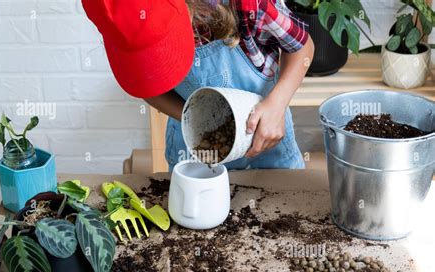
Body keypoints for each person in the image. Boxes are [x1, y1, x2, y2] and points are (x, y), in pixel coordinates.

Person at [83, 0, 314, 171]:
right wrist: (193, 121)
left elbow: (303, 48)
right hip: (194, 148)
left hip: (268, 138)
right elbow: (148, 88)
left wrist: (277, 104)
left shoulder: (247, 5)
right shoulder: (121, 24)